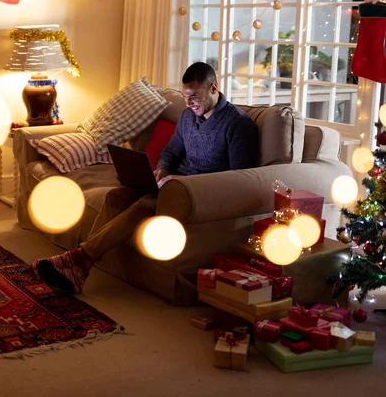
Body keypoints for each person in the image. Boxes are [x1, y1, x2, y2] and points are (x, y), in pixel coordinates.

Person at [30, 62, 259, 294]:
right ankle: (82, 266)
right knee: (116, 196)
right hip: (172, 184)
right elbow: (170, 152)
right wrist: (161, 170)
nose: (189, 103)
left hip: (198, 195)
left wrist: (183, 183)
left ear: (213, 88)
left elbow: (238, 180)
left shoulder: (237, 124)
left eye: (194, 97)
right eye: (185, 96)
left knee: (146, 204)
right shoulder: (188, 117)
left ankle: (78, 259)